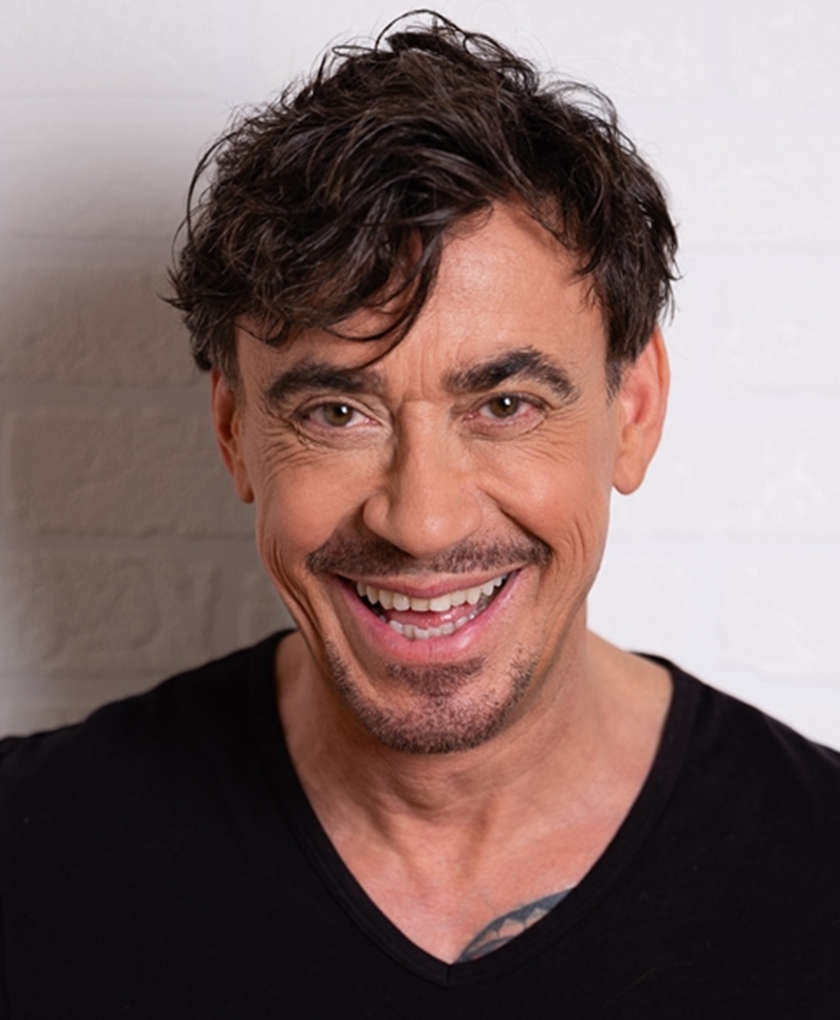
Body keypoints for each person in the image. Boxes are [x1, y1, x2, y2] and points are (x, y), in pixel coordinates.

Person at [1, 12, 838, 1018]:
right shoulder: (28, 858)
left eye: (505, 405)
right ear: (234, 433)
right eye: (337, 412)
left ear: (634, 412)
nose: (423, 523)